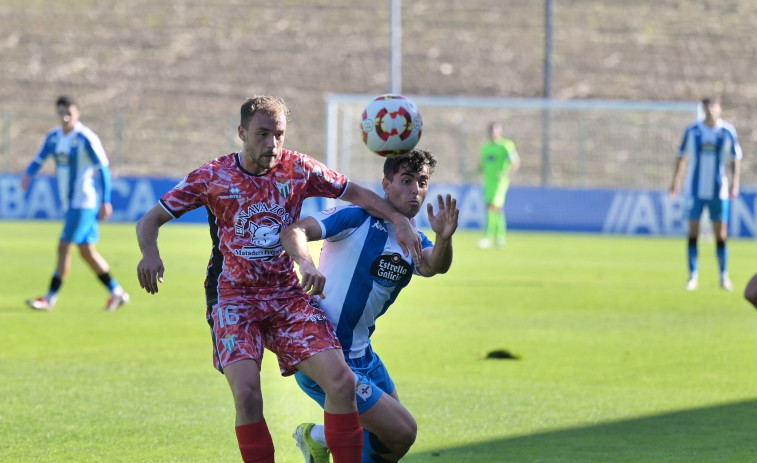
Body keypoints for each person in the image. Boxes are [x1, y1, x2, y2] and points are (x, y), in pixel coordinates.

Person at [135, 96, 422, 463]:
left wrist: (398, 220)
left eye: (279, 135)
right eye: (262, 134)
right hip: (233, 300)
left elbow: (359, 195)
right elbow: (149, 220)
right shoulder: (213, 177)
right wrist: (150, 253)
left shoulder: (298, 168)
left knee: (342, 382)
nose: (271, 144)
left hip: (287, 296)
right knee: (249, 396)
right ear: (242, 132)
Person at [281, 149, 459, 463]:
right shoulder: (355, 218)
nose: (414, 189)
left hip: (363, 354)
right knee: (402, 430)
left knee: (392, 444)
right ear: (386, 184)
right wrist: (306, 263)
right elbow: (294, 231)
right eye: (405, 180)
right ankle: (314, 436)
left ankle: (317, 437)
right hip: (324, 352)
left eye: (422, 181)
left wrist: (444, 238)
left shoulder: (414, 239)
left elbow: (434, 266)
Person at [22, 95, 129, 312]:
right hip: (71, 204)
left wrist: (106, 200)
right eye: (61, 112)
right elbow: (39, 158)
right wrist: (28, 175)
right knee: (87, 252)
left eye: (69, 112)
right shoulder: (54, 137)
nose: (65, 117)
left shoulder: (86, 138)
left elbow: (104, 168)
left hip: (84, 203)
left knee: (63, 248)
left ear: (77, 113)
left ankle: (49, 298)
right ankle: (117, 293)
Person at [669, 96, 742, 291]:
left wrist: (735, 184)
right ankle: (693, 276)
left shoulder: (727, 131)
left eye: (713, 107)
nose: (710, 110)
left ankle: (723, 276)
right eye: (707, 107)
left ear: (720, 109)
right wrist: (675, 182)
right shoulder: (692, 131)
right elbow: (681, 157)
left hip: (719, 191)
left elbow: (735, 158)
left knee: (721, 234)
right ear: (703, 109)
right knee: (693, 233)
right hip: (694, 190)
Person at [479, 121, 520, 248]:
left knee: (493, 206)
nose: (493, 133)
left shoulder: (506, 145)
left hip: (500, 182)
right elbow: (483, 165)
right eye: (491, 131)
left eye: (496, 131)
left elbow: (515, 162)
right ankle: (499, 237)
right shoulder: (485, 147)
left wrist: (507, 174)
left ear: (500, 131)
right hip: (488, 182)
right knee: (492, 208)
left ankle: (488, 237)